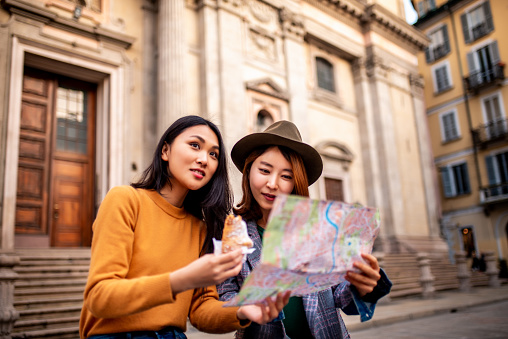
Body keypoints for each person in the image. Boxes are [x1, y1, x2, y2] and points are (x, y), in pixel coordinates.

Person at [79, 116, 290, 339]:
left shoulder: (200, 229)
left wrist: (241, 310)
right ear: (165, 151)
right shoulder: (125, 200)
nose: (204, 159)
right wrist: (183, 279)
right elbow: (100, 298)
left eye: (213, 154)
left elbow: (200, 311)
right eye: (195, 145)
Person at [218, 120, 392, 338]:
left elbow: (340, 295)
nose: (273, 183)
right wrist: (243, 309)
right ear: (249, 170)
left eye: (286, 176)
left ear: (296, 183)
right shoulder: (233, 232)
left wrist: (363, 287)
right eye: (264, 170)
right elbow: (224, 294)